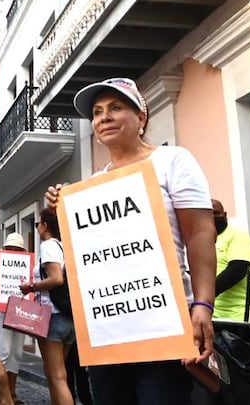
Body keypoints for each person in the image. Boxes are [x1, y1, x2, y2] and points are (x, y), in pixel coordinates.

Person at [45, 77, 216, 405]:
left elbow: (199, 233)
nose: (103, 117)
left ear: (142, 117)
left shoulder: (173, 162)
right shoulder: (91, 185)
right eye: (96, 112)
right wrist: (62, 210)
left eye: (115, 107)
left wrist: (202, 304)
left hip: (164, 325)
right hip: (108, 334)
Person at [19, 209, 75, 405]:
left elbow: (56, 279)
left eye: (38, 225)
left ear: (44, 224)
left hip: (52, 316)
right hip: (67, 318)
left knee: (57, 376)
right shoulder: (63, 247)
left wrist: (30, 286)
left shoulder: (49, 246)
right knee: (55, 373)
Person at [212, 199, 250, 323]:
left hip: (241, 316)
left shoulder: (237, 236)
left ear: (224, 215)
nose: (212, 217)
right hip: (214, 316)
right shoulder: (204, 242)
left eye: (216, 213)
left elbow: (237, 269)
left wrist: (205, 294)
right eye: (208, 213)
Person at [0, 232, 28, 405]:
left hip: (20, 308)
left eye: (18, 249)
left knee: (17, 353)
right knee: (4, 351)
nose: (14, 251)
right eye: (11, 249)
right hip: (1, 309)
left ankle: (11, 393)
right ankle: (0, 394)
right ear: (5, 249)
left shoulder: (27, 265)